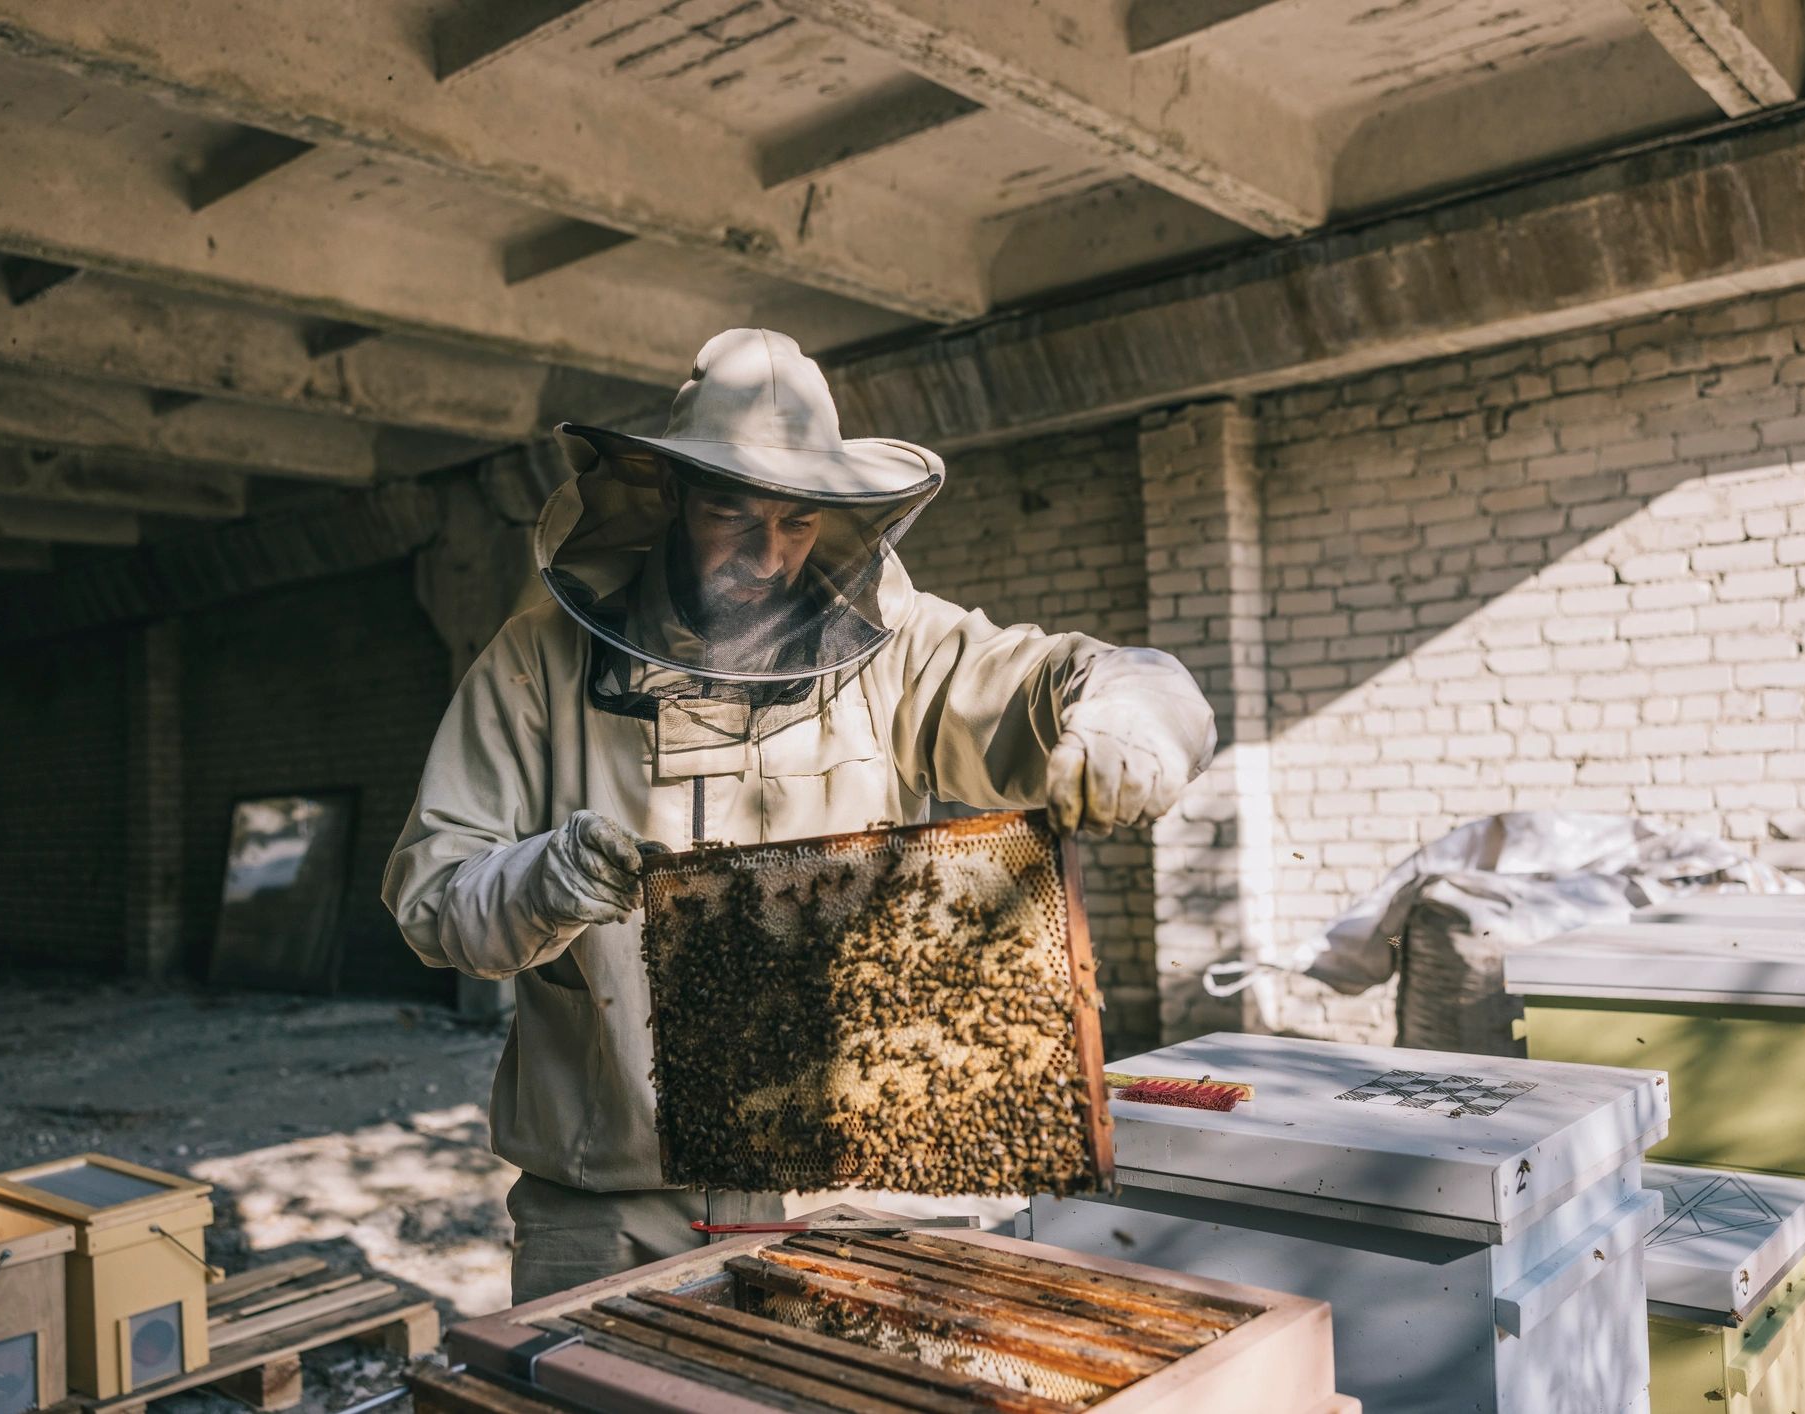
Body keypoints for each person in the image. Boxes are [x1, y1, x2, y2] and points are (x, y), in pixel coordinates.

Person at [383, 328, 1217, 1303]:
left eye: (796, 523)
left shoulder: (897, 652)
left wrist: (1136, 711)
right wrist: (539, 882)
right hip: (610, 1199)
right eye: (731, 514)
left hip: (850, 1185)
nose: (765, 556)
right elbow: (432, 900)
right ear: (669, 498)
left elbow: (1073, 678)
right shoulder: (535, 660)